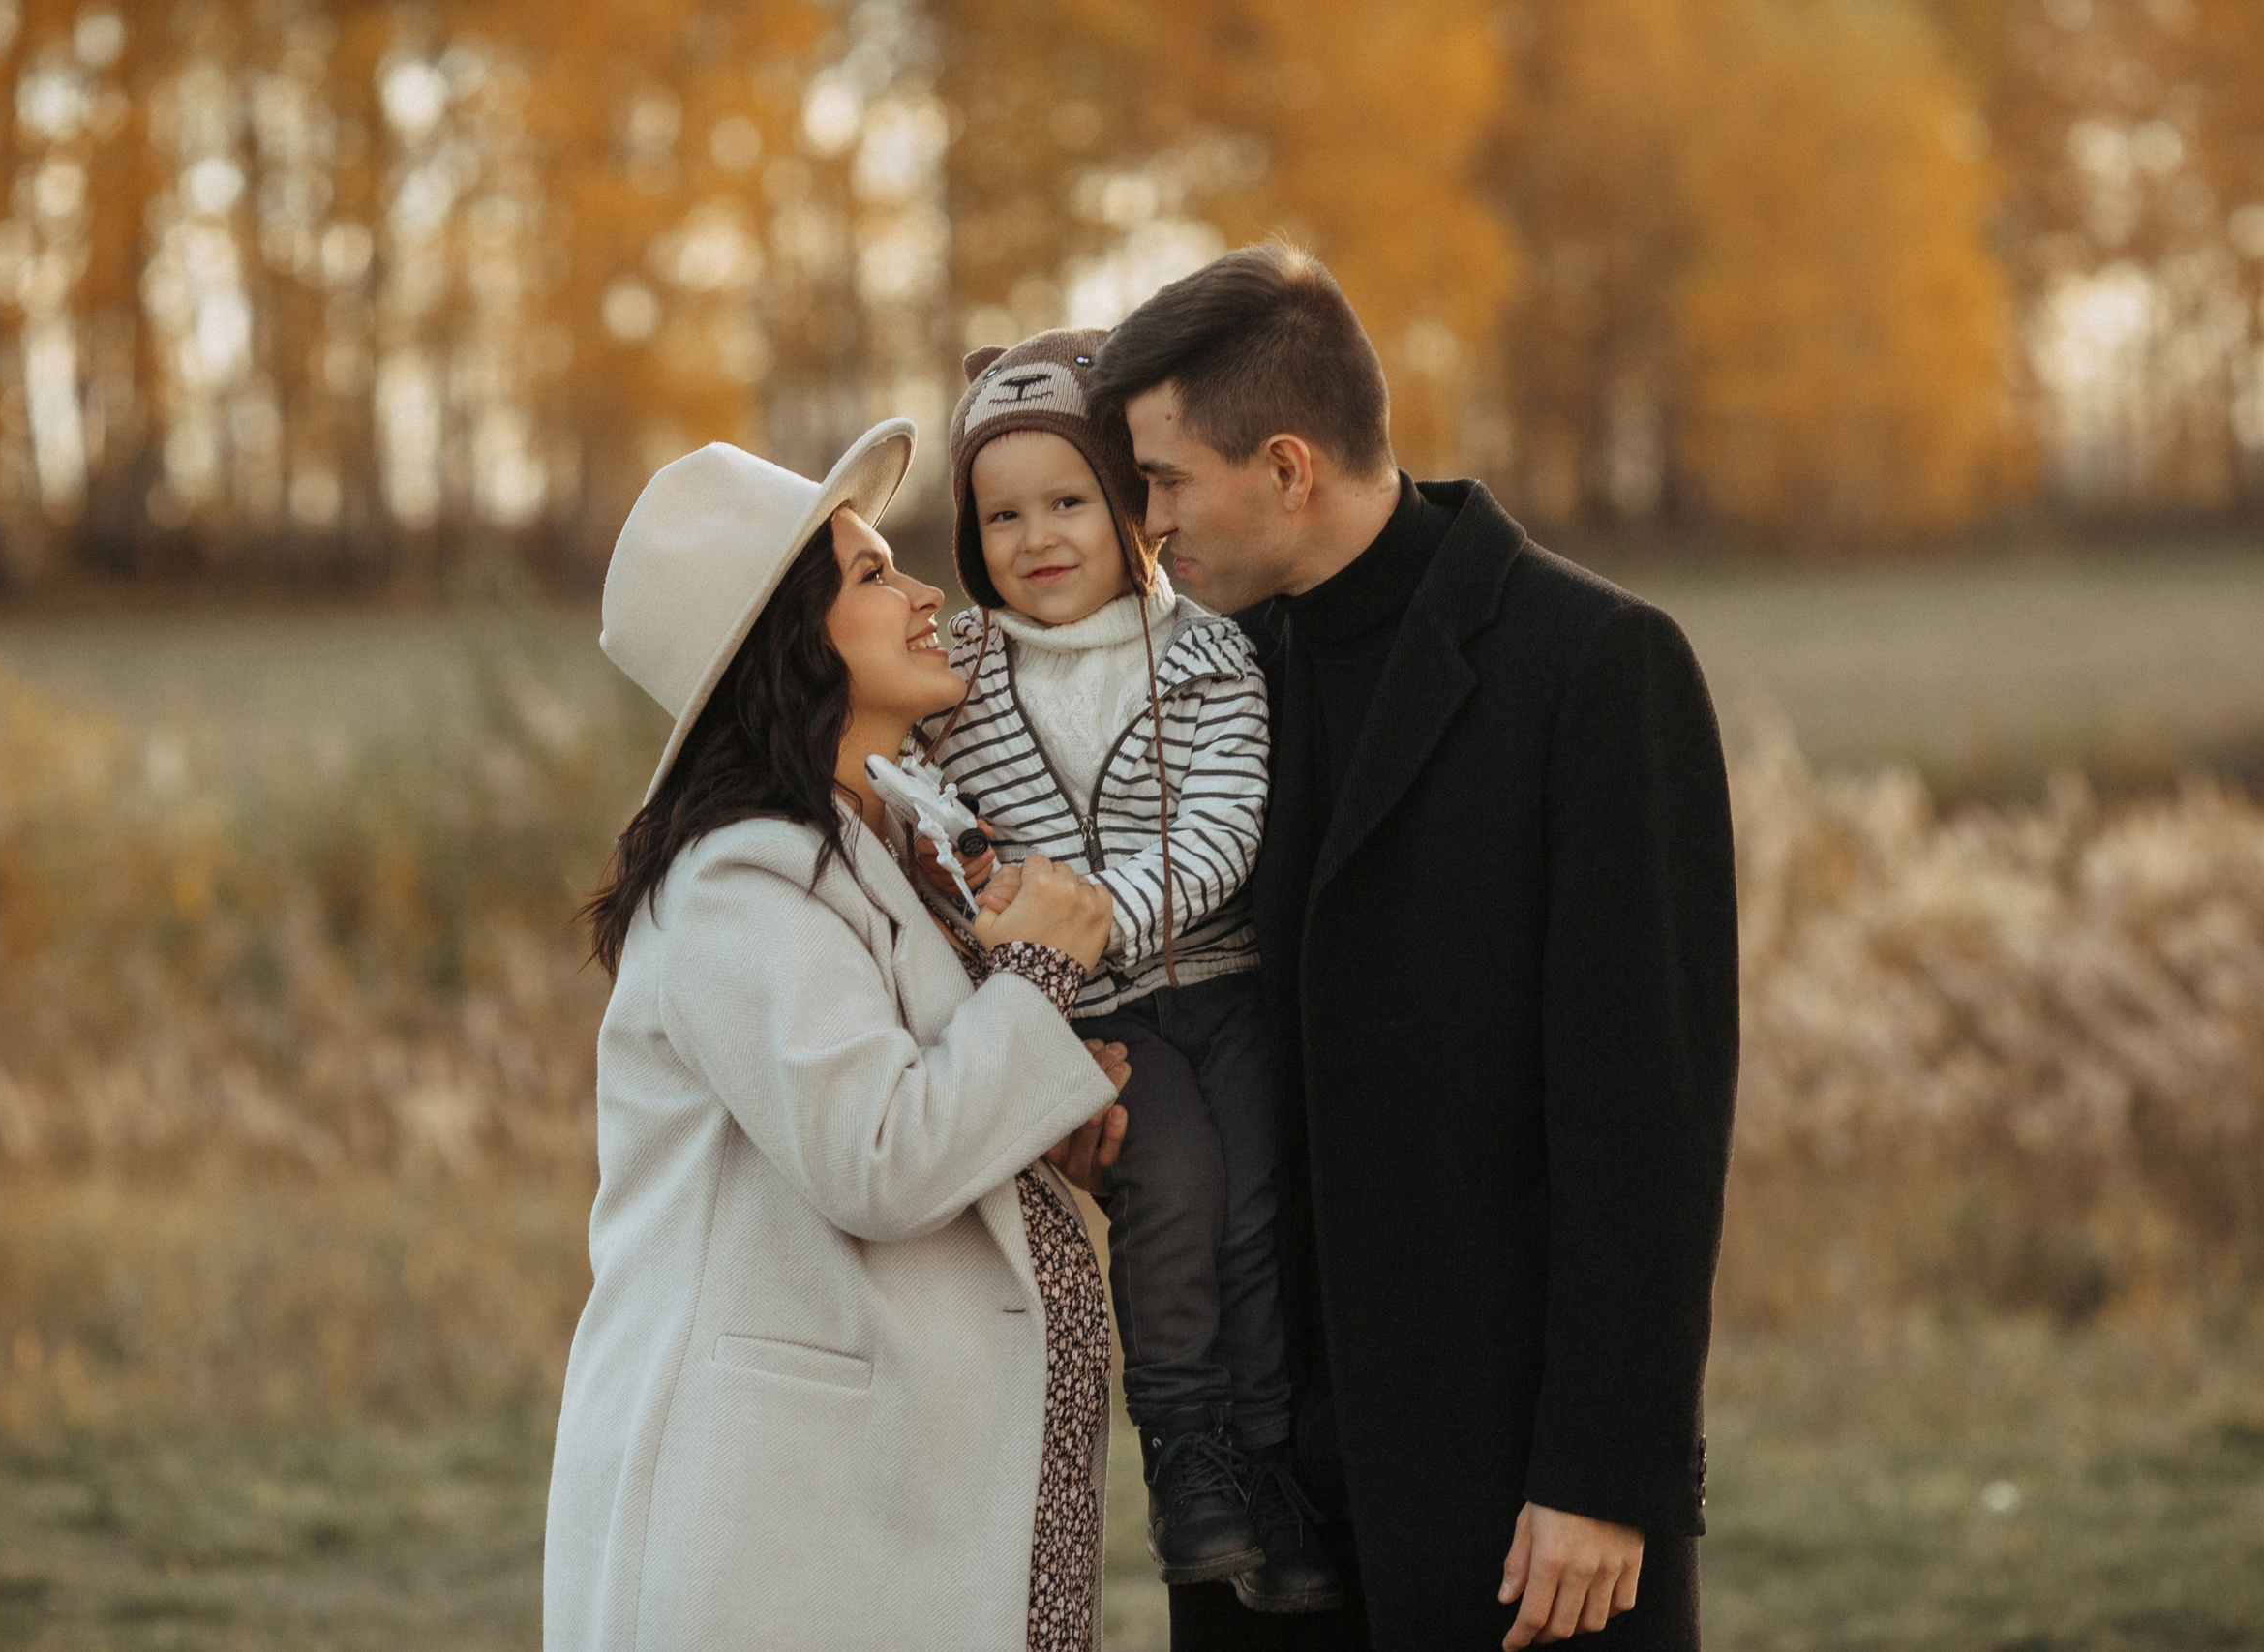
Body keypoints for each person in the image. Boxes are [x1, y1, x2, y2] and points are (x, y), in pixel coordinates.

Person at [1090, 246, 1740, 1651]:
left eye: (1165, 480)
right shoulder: (1203, 688)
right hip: (1272, 1503)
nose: (1146, 526)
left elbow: (1651, 1111)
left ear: (1286, 466)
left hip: (1513, 1487)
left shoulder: (1598, 668)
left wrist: (1604, 1470)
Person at [542, 418, 1138, 1652]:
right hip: (784, 1521)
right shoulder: (735, 883)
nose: (926, 593)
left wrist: (1045, 1129)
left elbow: (919, 1103)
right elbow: (877, 1153)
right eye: (872, 575)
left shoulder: (886, 850)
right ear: (788, 642)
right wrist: (1039, 972)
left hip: (883, 1500)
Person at [918, 328, 1343, 1612]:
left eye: (1067, 501)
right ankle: (1187, 1449)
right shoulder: (964, 680)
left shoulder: (1207, 653)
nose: (1035, 536)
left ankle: (1267, 1454)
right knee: (1173, 1193)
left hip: (1218, 984)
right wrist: (994, 896)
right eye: (1000, 513)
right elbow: (940, 829)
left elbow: (1223, 826)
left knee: (1255, 1209)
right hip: (1100, 1012)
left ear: (1126, 506)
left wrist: (1097, 905)